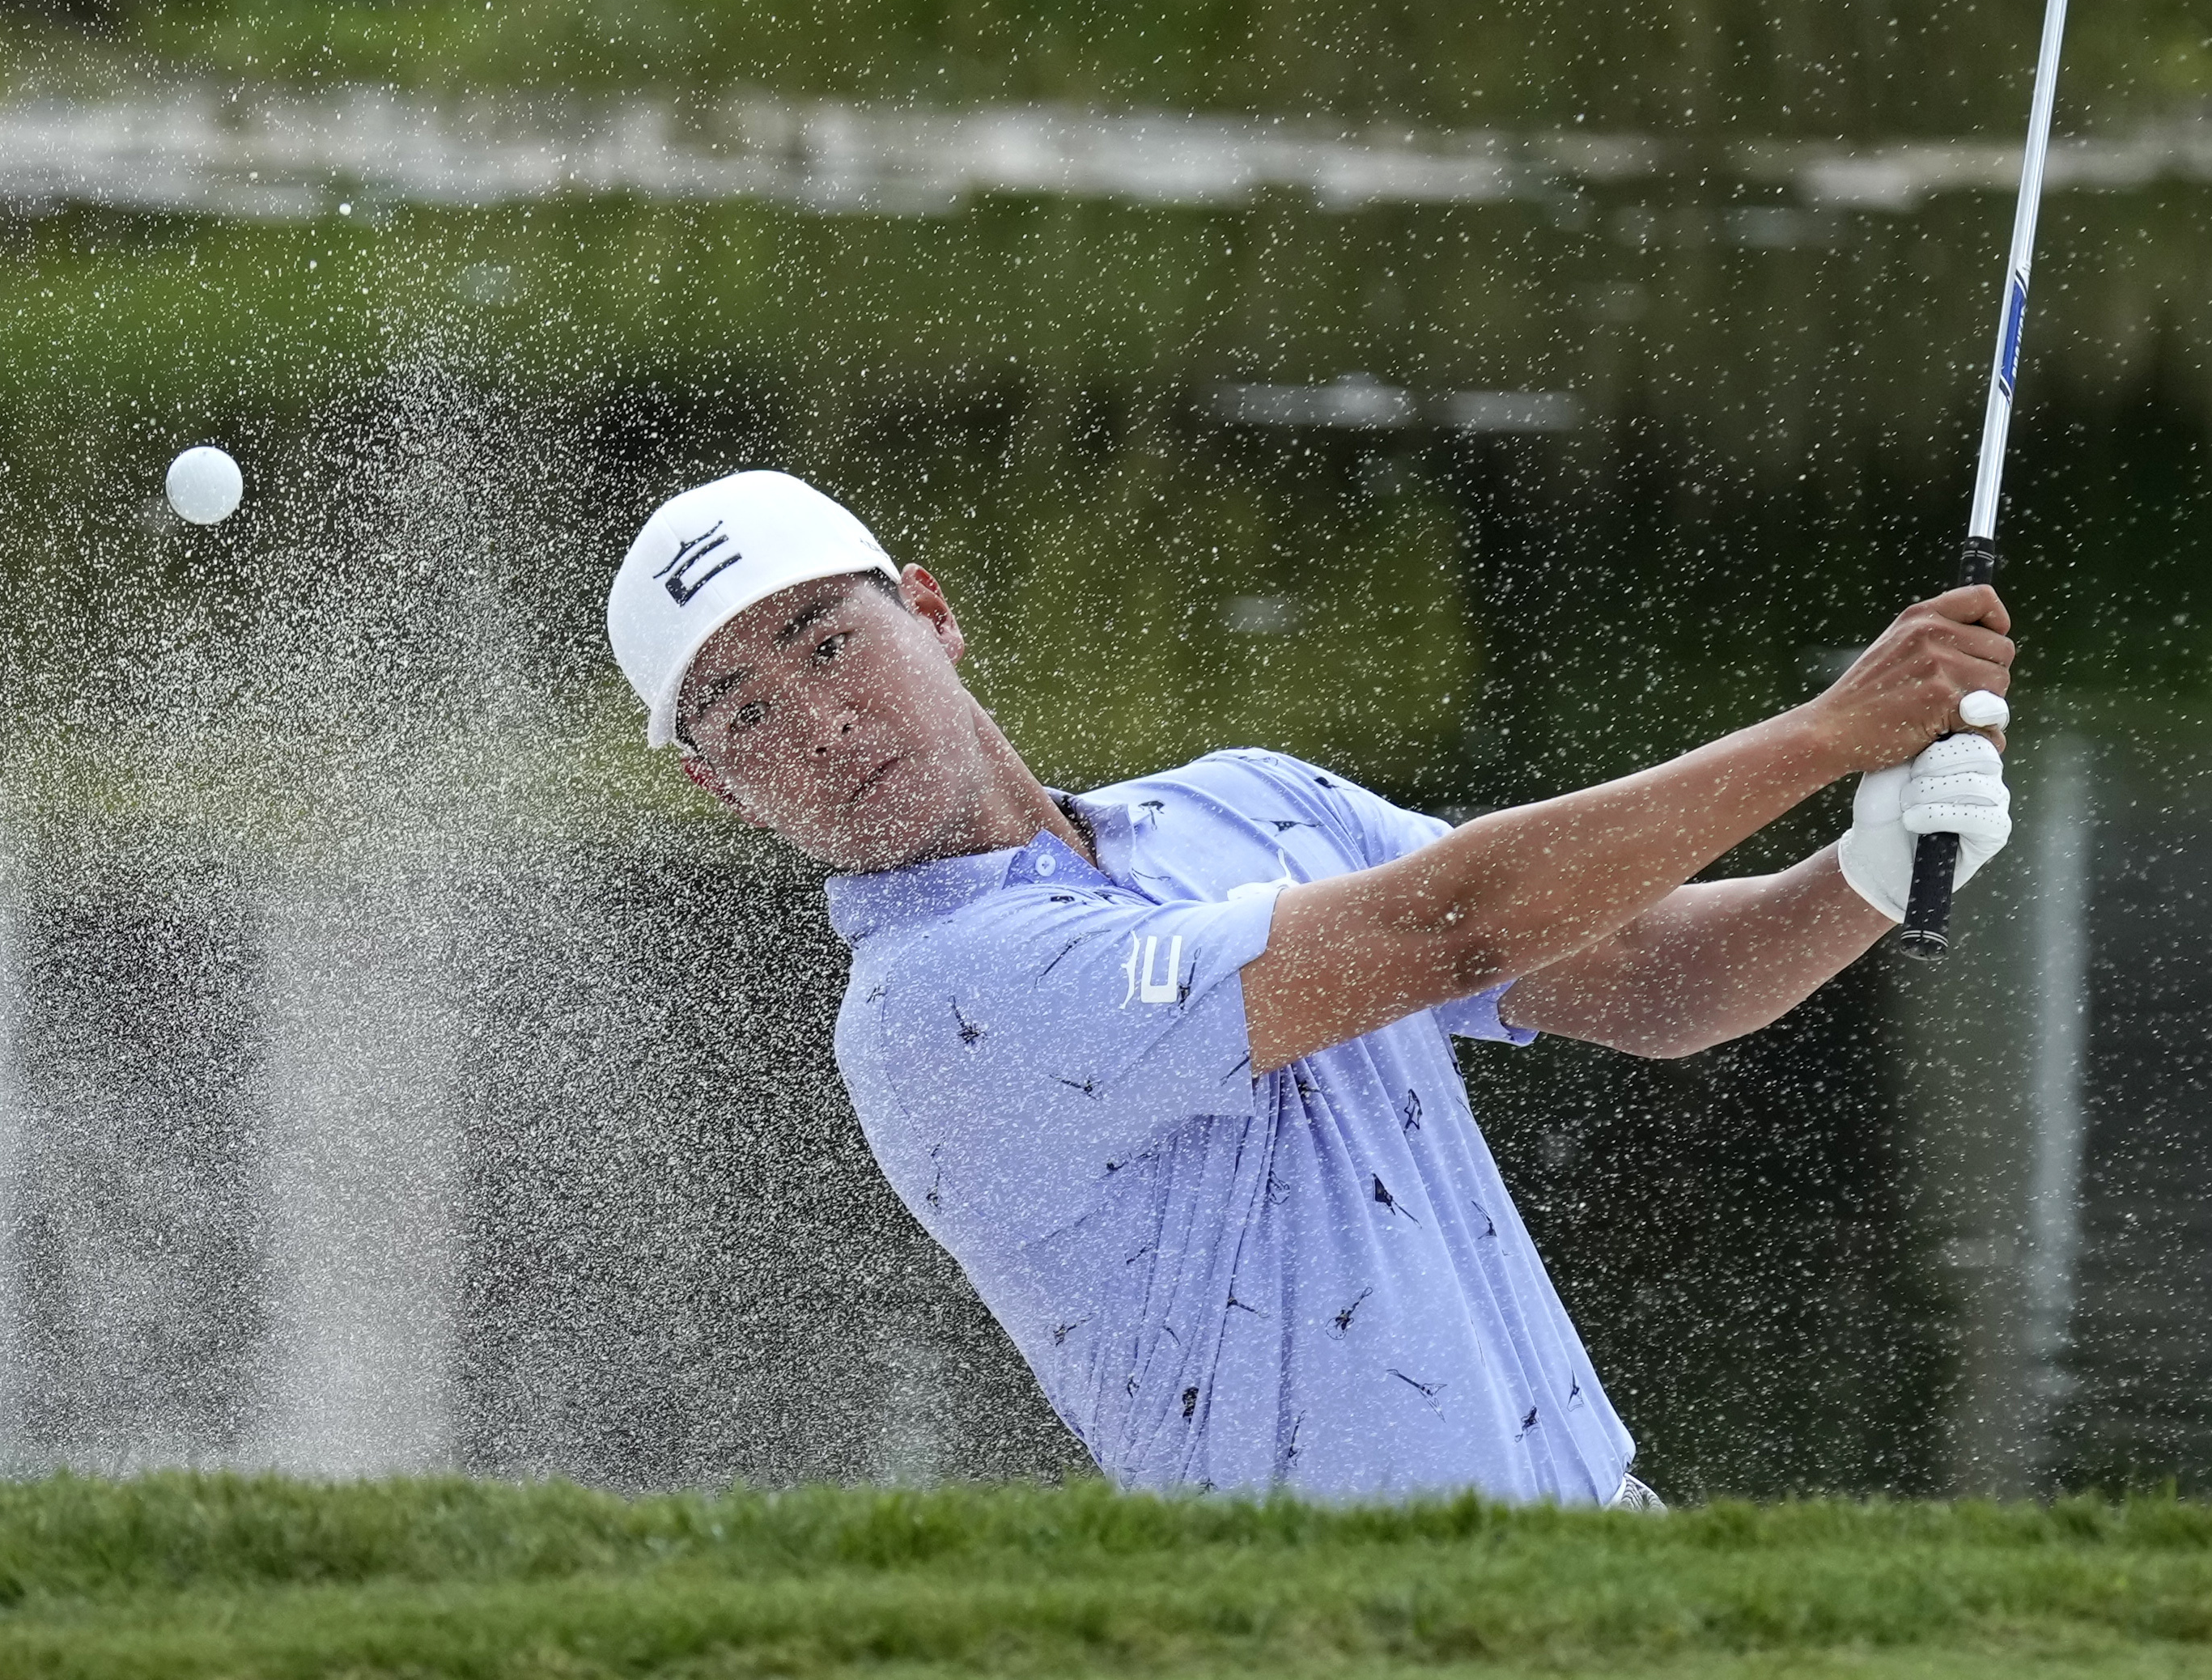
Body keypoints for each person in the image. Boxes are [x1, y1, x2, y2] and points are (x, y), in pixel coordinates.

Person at [605, 468, 2014, 1508]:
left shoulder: (1245, 803)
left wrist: (1868, 870)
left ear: (932, 613)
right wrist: (1828, 732)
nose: (823, 723)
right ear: (717, 788)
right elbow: (1453, 926)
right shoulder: (936, 1008)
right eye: (747, 715)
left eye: (830, 644)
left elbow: (1656, 979)